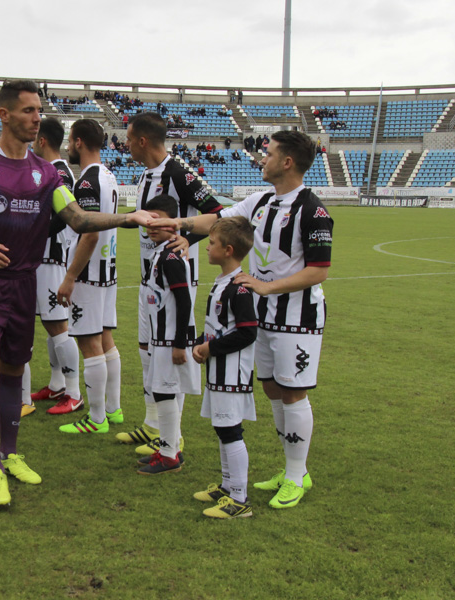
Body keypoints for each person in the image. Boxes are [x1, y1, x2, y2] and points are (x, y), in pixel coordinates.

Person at [0, 79, 153, 507]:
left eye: (39, 110)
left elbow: (76, 218)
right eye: (29, 110)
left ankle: (12, 453)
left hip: (24, 284)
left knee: (15, 372)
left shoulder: (46, 173)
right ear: (5, 114)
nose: (37, 118)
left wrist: (128, 219)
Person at [148, 129, 330, 510]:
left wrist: (268, 288)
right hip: (262, 315)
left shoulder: (313, 211)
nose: (262, 158)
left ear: (287, 162)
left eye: (269, 154)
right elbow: (216, 221)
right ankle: (291, 469)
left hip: (297, 316)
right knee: (273, 389)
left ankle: (297, 474)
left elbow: (319, 271)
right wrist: (180, 228)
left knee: (293, 390)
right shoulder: (260, 200)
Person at [119, 111, 222, 456]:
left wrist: (188, 241)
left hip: (175, 279)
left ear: (142, 141)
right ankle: (153, 426)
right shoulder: (147, 174)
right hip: (150, 276)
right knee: (148, 353)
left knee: (166, 357)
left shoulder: (178, 172)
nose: (126, 144)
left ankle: (171, 437)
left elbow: (218, 215)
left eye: (129, 138)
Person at [53, 119, 122, 432]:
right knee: (106, 339)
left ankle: (96, 420)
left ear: (79, 142)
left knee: (88, 341)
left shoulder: (87, 181)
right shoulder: (108, 176)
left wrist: (70, 277)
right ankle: (114, 410)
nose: (68, 146)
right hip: (108, 270)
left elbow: (90, 233)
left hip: (90, 273)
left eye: (70, 141)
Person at [190, 216, 258, 519]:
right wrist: (201, 341)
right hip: (218, 370)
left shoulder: (239, 289)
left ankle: (240, 499)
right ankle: (228, 486)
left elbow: (247, 332)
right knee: (222, 427)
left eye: (213, 243)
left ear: (228, 250)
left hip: (232, 372)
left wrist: (210, 348)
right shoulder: (222, 283)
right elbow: (219, 326)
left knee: (230, 429)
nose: (207, 247)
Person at [133, 195, 200, 474]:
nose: (150, 225)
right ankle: (168, 447)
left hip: (171, 338)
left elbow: (184, 301)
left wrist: (179, 344)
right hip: (161, 336)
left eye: (156, 220)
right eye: (148, 220)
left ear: (173, 224)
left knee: (163, 392)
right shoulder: (160, 252)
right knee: (163, 390)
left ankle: (170, 454)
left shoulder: (171, 257)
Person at [25, 117, 79, 417]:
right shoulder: (50, 170)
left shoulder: (58, 172)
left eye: (35, 139)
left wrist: (35, 232)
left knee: (58, 324)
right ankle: (57, 384)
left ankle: (74, 391)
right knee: (49, 323)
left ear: (42, 140)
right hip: (42, 255)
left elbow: (65, 215)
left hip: (52, 256)